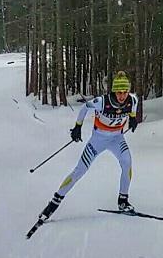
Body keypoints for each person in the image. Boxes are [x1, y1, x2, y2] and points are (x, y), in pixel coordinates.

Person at [37, 71, 139, 223]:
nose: (122, 96)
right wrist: (77, 127)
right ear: (114, 91)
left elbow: (132, 111)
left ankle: (123, 201)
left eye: (125, 92)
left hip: (117, 138)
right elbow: (85, 107)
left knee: (127, 163)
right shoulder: (102, 101)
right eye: (119, 92)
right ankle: (52, 204)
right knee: (80, 170)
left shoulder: (132, 100)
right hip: (98, 139)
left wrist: (132, 119)